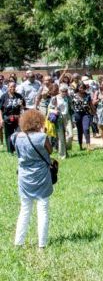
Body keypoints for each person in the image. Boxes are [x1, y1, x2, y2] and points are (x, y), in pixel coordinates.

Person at [12, 109, 54, 249]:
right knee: (42, 209)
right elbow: (50, 151)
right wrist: (44, 132)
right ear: (39, 122)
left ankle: (19, 242)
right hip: (41, 176)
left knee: (25, 209)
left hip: (24, 177)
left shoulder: (17, 137)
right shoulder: (42, 137)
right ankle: (42, 244)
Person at [2, 82, 25, 153]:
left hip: (17, 117)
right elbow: (0, 109)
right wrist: (1, 119)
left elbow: (23, 107)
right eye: (11, 86)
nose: (12, 88)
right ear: (8, 87)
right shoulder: (4, 96)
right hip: (7, 118)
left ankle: (18, 149)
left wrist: (21, 105)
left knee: (19, 133)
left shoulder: (19, 96)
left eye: (14, 86)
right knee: (9, 134)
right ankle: (10, 151)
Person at [71, 85, 94, 150]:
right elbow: (71, 105)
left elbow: (91, 104)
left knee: (86, 129)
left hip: (86, 114)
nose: (82, 89)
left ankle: (88, 145)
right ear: (78, 88)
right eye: (80, 88)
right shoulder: (73, 95)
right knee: (80, 130)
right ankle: (80, 145)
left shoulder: (87, 96)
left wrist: (94, 112)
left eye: (83, 88)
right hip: (77, 114)